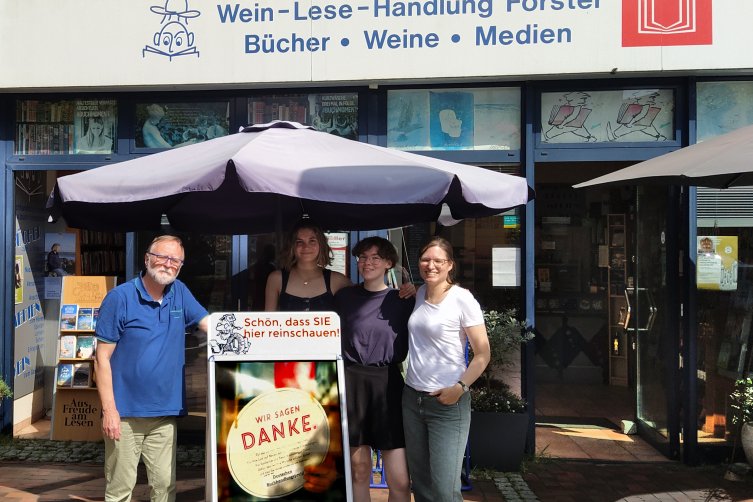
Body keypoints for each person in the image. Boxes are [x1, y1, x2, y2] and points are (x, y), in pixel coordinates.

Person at [94, 235, 208, 502]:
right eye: (162, 256)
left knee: (164, 489)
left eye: (175, 260)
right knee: (120, 489)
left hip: (164, 414)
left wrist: (254, 334)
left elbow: (209, 325)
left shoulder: (179, 292)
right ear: (147, 259)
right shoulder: (120, 298)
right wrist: (109, 411)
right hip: (124, 415)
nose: (168, 264)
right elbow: (101, 360)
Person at [402, 236, 490, 502]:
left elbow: (483, 354)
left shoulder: (462, 298)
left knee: (444, 490)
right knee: (421, 485)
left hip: (447, 403)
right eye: (426, 260)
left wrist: (460, 388)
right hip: (412, 399)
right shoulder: (417, 293)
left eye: (438, 261)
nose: (431, 266)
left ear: (450, 264)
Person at [334, 236, 414, 502]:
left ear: (388, 263)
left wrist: (415, 289)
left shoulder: (403, 300)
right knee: (358, 470)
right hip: (352, 381)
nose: (367, 263)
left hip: (388, 383)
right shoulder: (344, 297)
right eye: (363, 257)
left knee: (400, 479)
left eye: (375, 258)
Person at [265, 219, 415, 312]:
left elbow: (370, 297)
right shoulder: (276, 279)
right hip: (288, 358)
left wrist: (413, 290)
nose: (306, 247)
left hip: (326, 360)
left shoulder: (337, 280)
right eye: (299, 242)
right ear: (292, 246)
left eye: (312, 241)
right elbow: (267, 325)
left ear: (321, 244)